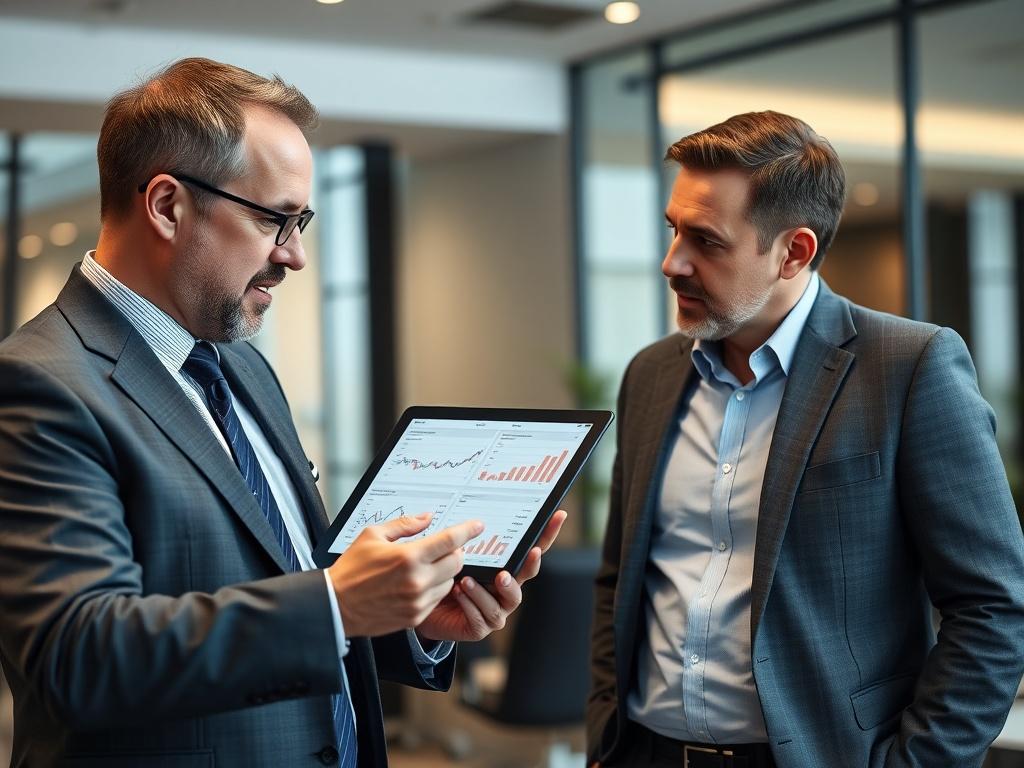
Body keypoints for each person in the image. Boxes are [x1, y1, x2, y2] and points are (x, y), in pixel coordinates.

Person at [0, 57, 564, 768]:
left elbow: (290, 582)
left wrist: (408, 618)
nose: (294, 256)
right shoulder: (40, 381)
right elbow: (78, 657)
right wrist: (336, 605)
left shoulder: (243, 368)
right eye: (275, 219)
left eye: (302, 222)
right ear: (168, 206)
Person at [586, 111, 1024, 768]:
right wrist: (604, 731)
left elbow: (992, 608)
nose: (671, 262)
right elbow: (619, 580)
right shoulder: (650, 375)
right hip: (645, 752)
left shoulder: (908, 368)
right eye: (673, 230)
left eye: (706, 241)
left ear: (793, 251)